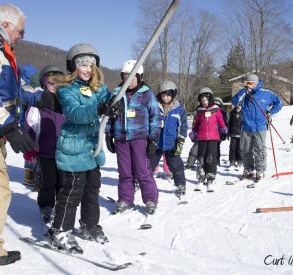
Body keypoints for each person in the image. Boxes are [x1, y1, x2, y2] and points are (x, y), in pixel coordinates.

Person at [0, 3, 61, 269]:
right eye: (21, 31)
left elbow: (10, 92)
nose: (23, 36)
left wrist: (41, 97)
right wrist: (10, 128)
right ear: (5, 25)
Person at [48, 44, 115, 254]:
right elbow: (76, 113)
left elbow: (108, 100)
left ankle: (89, 224)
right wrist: (98, 109)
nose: (87, 69)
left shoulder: (98, 88)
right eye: (83, 65)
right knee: (72, 191)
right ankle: (60, 231)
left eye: (91, 65)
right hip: (74, 147)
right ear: (74, 67)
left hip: (92, 149)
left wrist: (115, 104)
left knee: (92, 189)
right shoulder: (67, 90)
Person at [105, 60, 160, 215]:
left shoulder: (146, 94)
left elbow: (155, 117)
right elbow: (110, 117)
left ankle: (150, 199)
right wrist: (109, 135)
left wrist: (153, 139)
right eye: (125, 77)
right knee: (125, 172)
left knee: (142, 171)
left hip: (140, 138)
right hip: (121, 139)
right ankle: (125, 199)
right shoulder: (117, 93)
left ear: (139, 77)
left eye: (132, 77)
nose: (128, 80)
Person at [25, 65, 66, 224]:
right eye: (51, 83)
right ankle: (46, 206)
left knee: (63, 181)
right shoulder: (38, 105)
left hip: (64, 152)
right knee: (48, 181)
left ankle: (61, 206)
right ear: (43, 84)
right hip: (45, 151)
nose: (54, 86)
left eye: (58, 83)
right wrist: (30, 148)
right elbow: (30, 126)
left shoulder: (65, 104)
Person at [231, 73, 283, 181]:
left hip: (260, 127)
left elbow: (279, 103)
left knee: (259, 149)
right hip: (245, 127)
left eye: (250, 83)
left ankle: (260, 170)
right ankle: (249, 168)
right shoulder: (244, 94)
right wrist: (244, 91)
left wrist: (270, 112)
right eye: (246, 83)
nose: (248, 85)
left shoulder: (266, 94)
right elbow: (234, 101)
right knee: (246, 149)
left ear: (255, 83)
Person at [149, 80, 188, 196]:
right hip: (156, 143)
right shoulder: (154, 106)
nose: (165, 98)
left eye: (168, 95)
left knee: (176, 165)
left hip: (172, 143)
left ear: (173, 95)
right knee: (149, 164)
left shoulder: (179, 109)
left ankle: (180, 184)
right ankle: (141, 182)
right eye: (163, 95)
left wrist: (180, 140)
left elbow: (183, 126)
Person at [189, 87, 227, 191]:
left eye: (206, 100)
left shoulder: (216, 109)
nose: (204, 102)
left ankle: (210, 178)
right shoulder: (199, 111)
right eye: (202, 101)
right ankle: (201, 177)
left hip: (213, 137)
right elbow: (197, 123)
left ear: (210, 99)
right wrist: (194, 131)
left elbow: (220, 121)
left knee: (211, 157)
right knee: (201, 157)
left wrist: (223, 128)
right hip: (201, 137)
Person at [213, 97, 228, 166]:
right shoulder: (211, 110)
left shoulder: (223, 112)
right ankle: (215, 161)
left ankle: (216, 160)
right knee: (215, 147)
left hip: (218, 132)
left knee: (215, 147)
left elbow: (225, 123)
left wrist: (225, 133)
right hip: (214, 132)